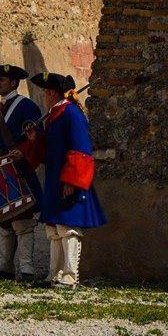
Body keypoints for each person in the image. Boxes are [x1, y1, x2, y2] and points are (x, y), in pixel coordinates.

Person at [21, 72, 106, 288]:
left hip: (67, 180)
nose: (43, 96)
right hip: (54, 179)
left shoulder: (71, 114)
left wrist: (72, 181)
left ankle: (70, 276)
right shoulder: (55, 115)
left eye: (45, 92)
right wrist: (35, 140)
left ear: (51, 92)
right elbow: (49, 151)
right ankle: (55, 274)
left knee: (68, 227)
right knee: (54, 228)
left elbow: (82, 150)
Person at [0, 64, 43, 281]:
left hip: (17, 168)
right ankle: (4, 267)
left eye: (2, 80)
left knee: (22, 222)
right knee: (4, 221)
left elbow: (35, 137)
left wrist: (23, 154)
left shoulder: (27, 107)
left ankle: (27, 269)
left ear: (14, 83)